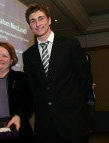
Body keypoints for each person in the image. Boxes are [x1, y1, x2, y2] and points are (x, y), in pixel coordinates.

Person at [22, 3, 92, 143]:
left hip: (73, 122)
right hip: (45, 126)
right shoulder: (28, 55)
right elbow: (34, 89)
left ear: (49, 20)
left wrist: (75, 107)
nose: (37, 23)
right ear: (30, 25)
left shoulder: (70, 44)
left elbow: (85, 80)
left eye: (41, 18)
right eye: (32, 20)